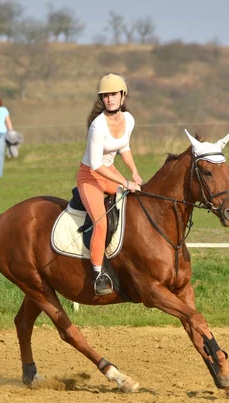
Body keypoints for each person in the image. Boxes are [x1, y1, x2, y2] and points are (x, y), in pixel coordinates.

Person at [76, 73, 142, 296]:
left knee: (137, 200)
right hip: (90, 177)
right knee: (101, 223)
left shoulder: (129, 120)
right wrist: (125, 182)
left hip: (110, 172)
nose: (110, 99)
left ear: (123, 96)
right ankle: (98, 274)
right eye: (105, 96)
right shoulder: (97, 126)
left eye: (113, 94)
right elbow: (95, 165)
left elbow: (124, 148)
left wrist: (134, 172)